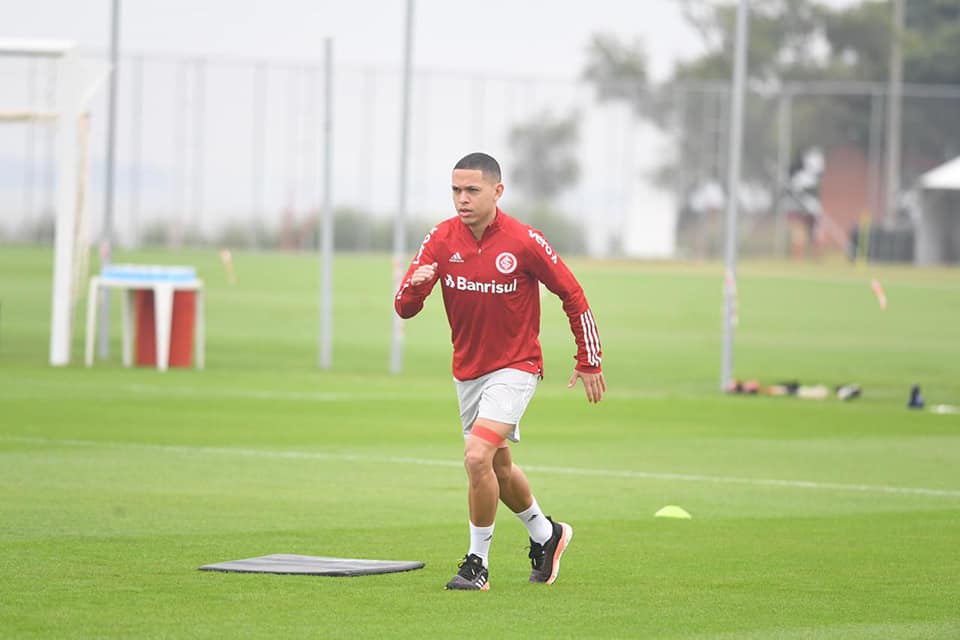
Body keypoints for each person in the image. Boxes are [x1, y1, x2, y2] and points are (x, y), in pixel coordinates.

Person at [394, 152, 606, 591]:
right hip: (467, 372)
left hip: (516, 367)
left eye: (472, 190)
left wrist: (589, 358)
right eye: (456, 190)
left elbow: (572, 292)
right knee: (498, 467)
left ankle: (477, 564)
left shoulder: (525, 240)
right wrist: (413, 290)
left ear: (497, 191)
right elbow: (404, 307)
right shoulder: (440, 238)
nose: (462, 199)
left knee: (475, 457)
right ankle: (547, 536)